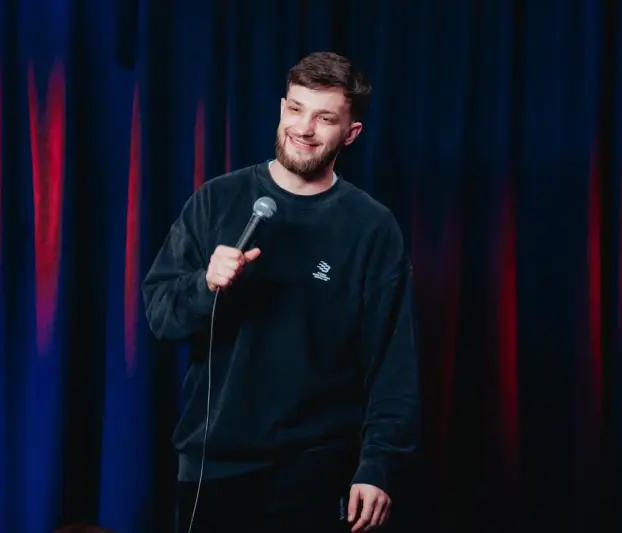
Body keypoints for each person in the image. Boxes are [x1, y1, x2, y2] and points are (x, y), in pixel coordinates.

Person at [142, 51, 420, 533]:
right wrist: (205, 285)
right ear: (281, 108)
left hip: (316, 469)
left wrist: (378, 466)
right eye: (295, 109)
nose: (304, 128)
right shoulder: (217, 200)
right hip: (214, 465)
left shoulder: (371, 227)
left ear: (350, 133)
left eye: (324, 117)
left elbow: (392, 361)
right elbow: (161, 316)